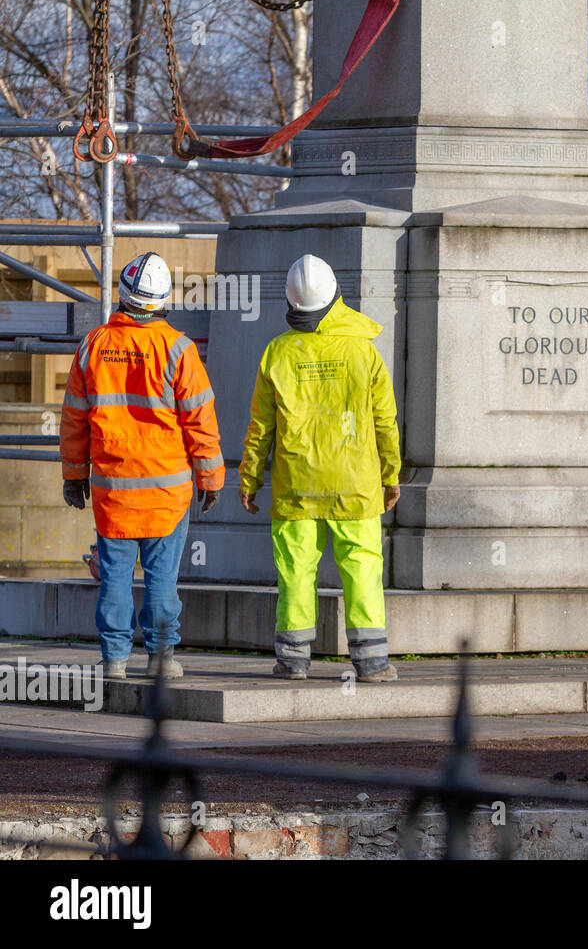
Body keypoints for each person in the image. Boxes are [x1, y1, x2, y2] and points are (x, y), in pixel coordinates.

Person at [60, 252, 224, 679]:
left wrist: (74, 474)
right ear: (163, 299)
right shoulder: (179, 349)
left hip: (113, 490)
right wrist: (210, 478)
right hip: (167, 492)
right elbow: (201, 421)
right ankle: (161, 659)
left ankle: (113, 661)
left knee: (114, 578)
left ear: (123, 294)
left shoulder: (93, 345)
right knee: (162, 580)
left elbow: (75, 418)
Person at [238, 254, 401, 683]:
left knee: (295, 569)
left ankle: (293, 660)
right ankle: (372, 662)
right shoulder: (363, 351)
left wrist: (250, 478)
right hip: (356, 482)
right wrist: (391, 474)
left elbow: (261, 426)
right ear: (335, 296)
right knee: (362, 566)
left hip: (297, 485)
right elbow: (385, 420)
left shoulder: (277, 352)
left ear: (291, 302)